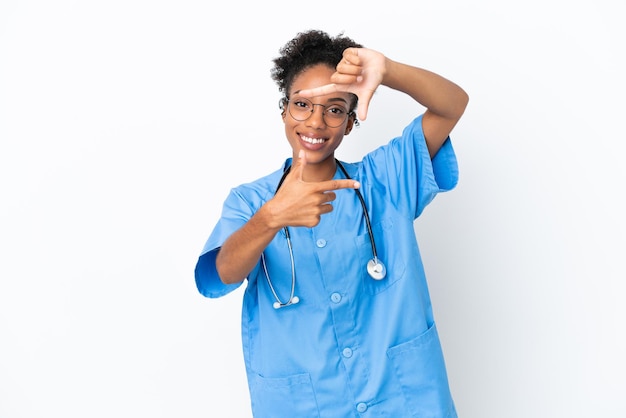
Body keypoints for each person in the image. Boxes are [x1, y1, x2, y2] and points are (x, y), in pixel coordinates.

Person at [194, 29, 469, 417]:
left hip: (404, 400)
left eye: (335, 109)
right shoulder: (251, 202)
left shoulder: (385, 179)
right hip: (309, 405)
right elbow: (221, 274)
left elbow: (452, 105)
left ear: (350, 122)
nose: (316, 122)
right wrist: (271, 218)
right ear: (285, 110)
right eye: (302, 105)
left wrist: (388, 70)